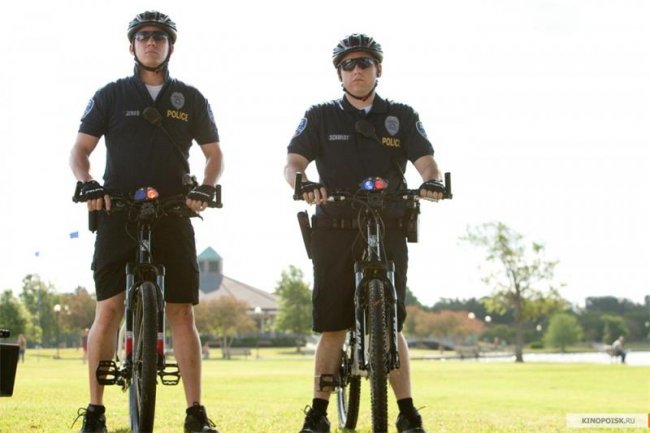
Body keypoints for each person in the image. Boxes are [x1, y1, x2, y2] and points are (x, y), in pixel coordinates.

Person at [69, 11, 223, 433]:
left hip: (175, 210)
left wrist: (205, 188)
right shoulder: (111, 95)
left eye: (159, 36)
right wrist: (88, 183)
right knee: (109, 309)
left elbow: (214, 155)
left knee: (182, 312)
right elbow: (80, 150)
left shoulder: (190, 98)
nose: (151, 42)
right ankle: (95, 412)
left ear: (171, 45)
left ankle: (195, 413)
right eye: (143, 36)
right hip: (117, 209)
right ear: (132, 45)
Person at [284, 33, 446, 433]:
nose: (357, 70)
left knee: (391, 324)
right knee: (333, 325)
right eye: (348, 65)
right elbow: (294, 161)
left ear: (378, 69)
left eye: (365, 63)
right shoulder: (321, 115)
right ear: (339, 73)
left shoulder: (401, 116)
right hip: (335, 225)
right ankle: (318, 413)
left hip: (388, 223)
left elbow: (427, 162)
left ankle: (407, 412)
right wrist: (303, 182)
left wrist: (432, 182)